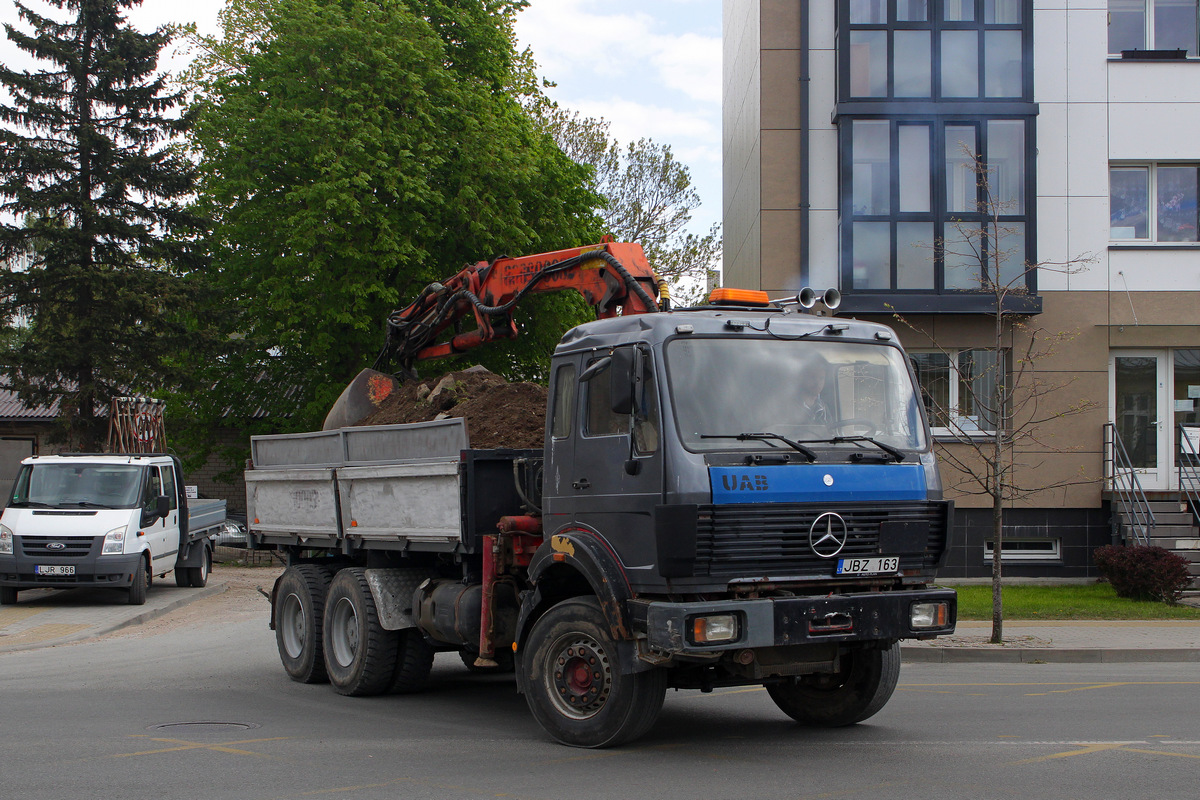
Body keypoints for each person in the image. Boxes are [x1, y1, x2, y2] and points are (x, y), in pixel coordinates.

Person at [797, 354, 830, 427]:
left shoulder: (824, 407)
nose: (817, 383)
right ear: (803, 378)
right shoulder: (789, 406)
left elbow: (831, 433)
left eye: (821, 378)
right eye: (813, 377)